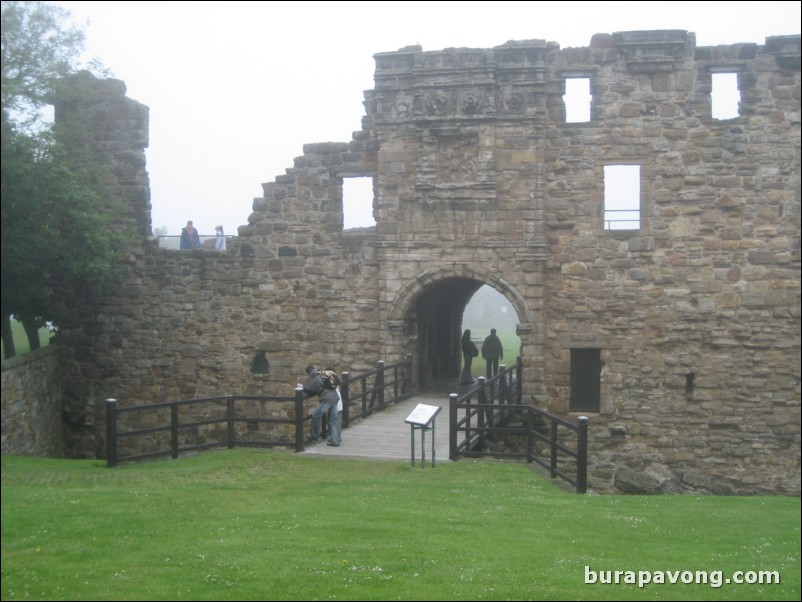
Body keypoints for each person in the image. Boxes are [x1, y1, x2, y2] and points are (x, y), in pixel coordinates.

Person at [298, 365, 341, 446]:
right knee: (333, 419)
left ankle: (314, 435)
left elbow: (310, 390)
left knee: (315, 415)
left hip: (327, 399)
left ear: (308, 372)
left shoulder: (314, 376)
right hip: (335, 398)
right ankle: (335, 441)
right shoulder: (322, 374)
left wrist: (302, 389)